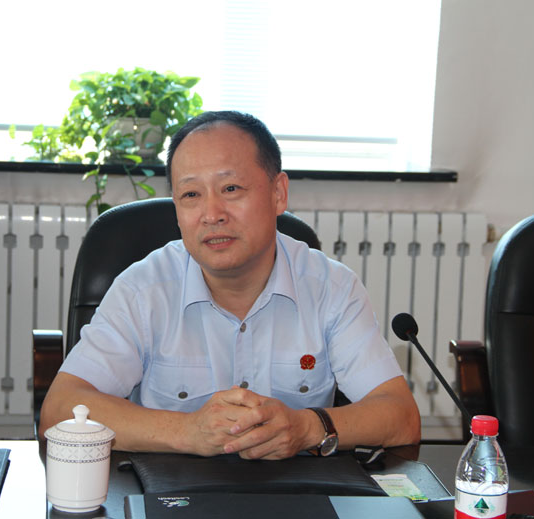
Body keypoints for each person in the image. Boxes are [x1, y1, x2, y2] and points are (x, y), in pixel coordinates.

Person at [39, 111, 421, 460]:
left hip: (295, 490)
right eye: (191, 195)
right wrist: (188, 431)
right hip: (171, 492)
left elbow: (400, 417)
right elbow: (59, 410)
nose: (212, 214)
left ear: (278, 194)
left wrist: (307, 427)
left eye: (231, 188)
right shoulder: (144, 290)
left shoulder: (331, 287)